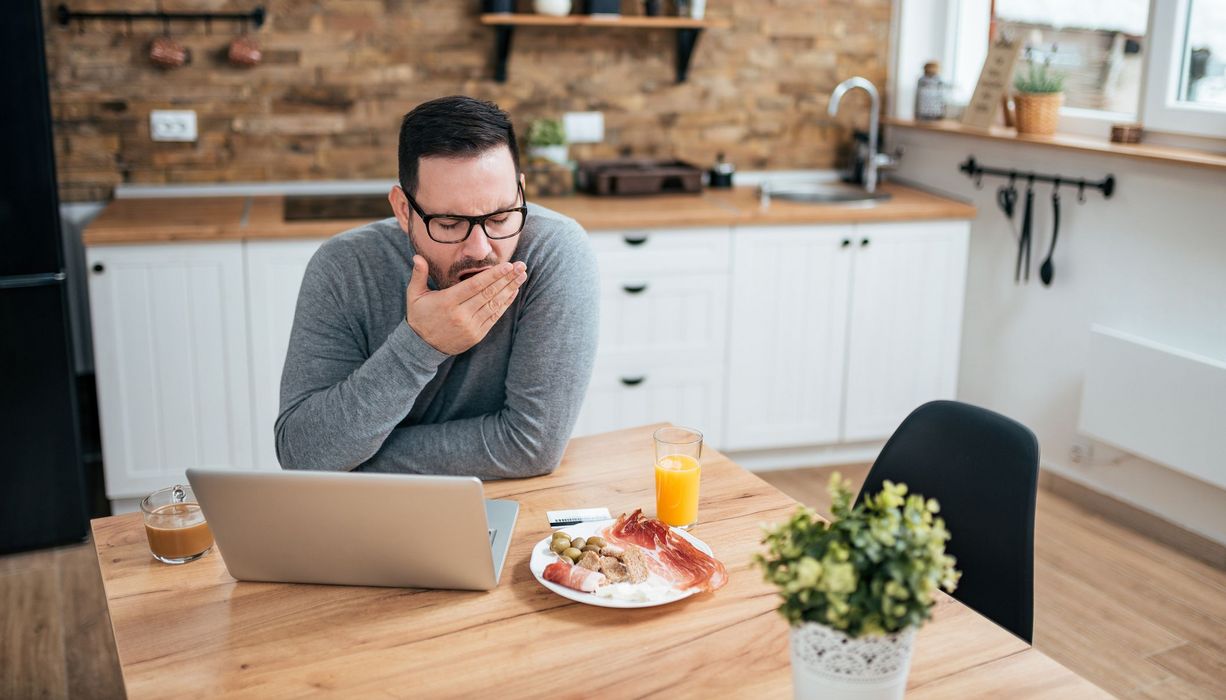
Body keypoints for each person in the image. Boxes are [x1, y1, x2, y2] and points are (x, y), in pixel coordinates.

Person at [275, 95, 599, 478]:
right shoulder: (344, 268)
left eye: (499, 217)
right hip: (368, 510)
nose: (480, 250)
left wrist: (353, 460)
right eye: (449, 224)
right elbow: (302, 453)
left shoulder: (555, 251)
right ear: (403, 210)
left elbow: (531, 445)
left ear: (520, 191)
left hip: (507, 498)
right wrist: (421, 344)